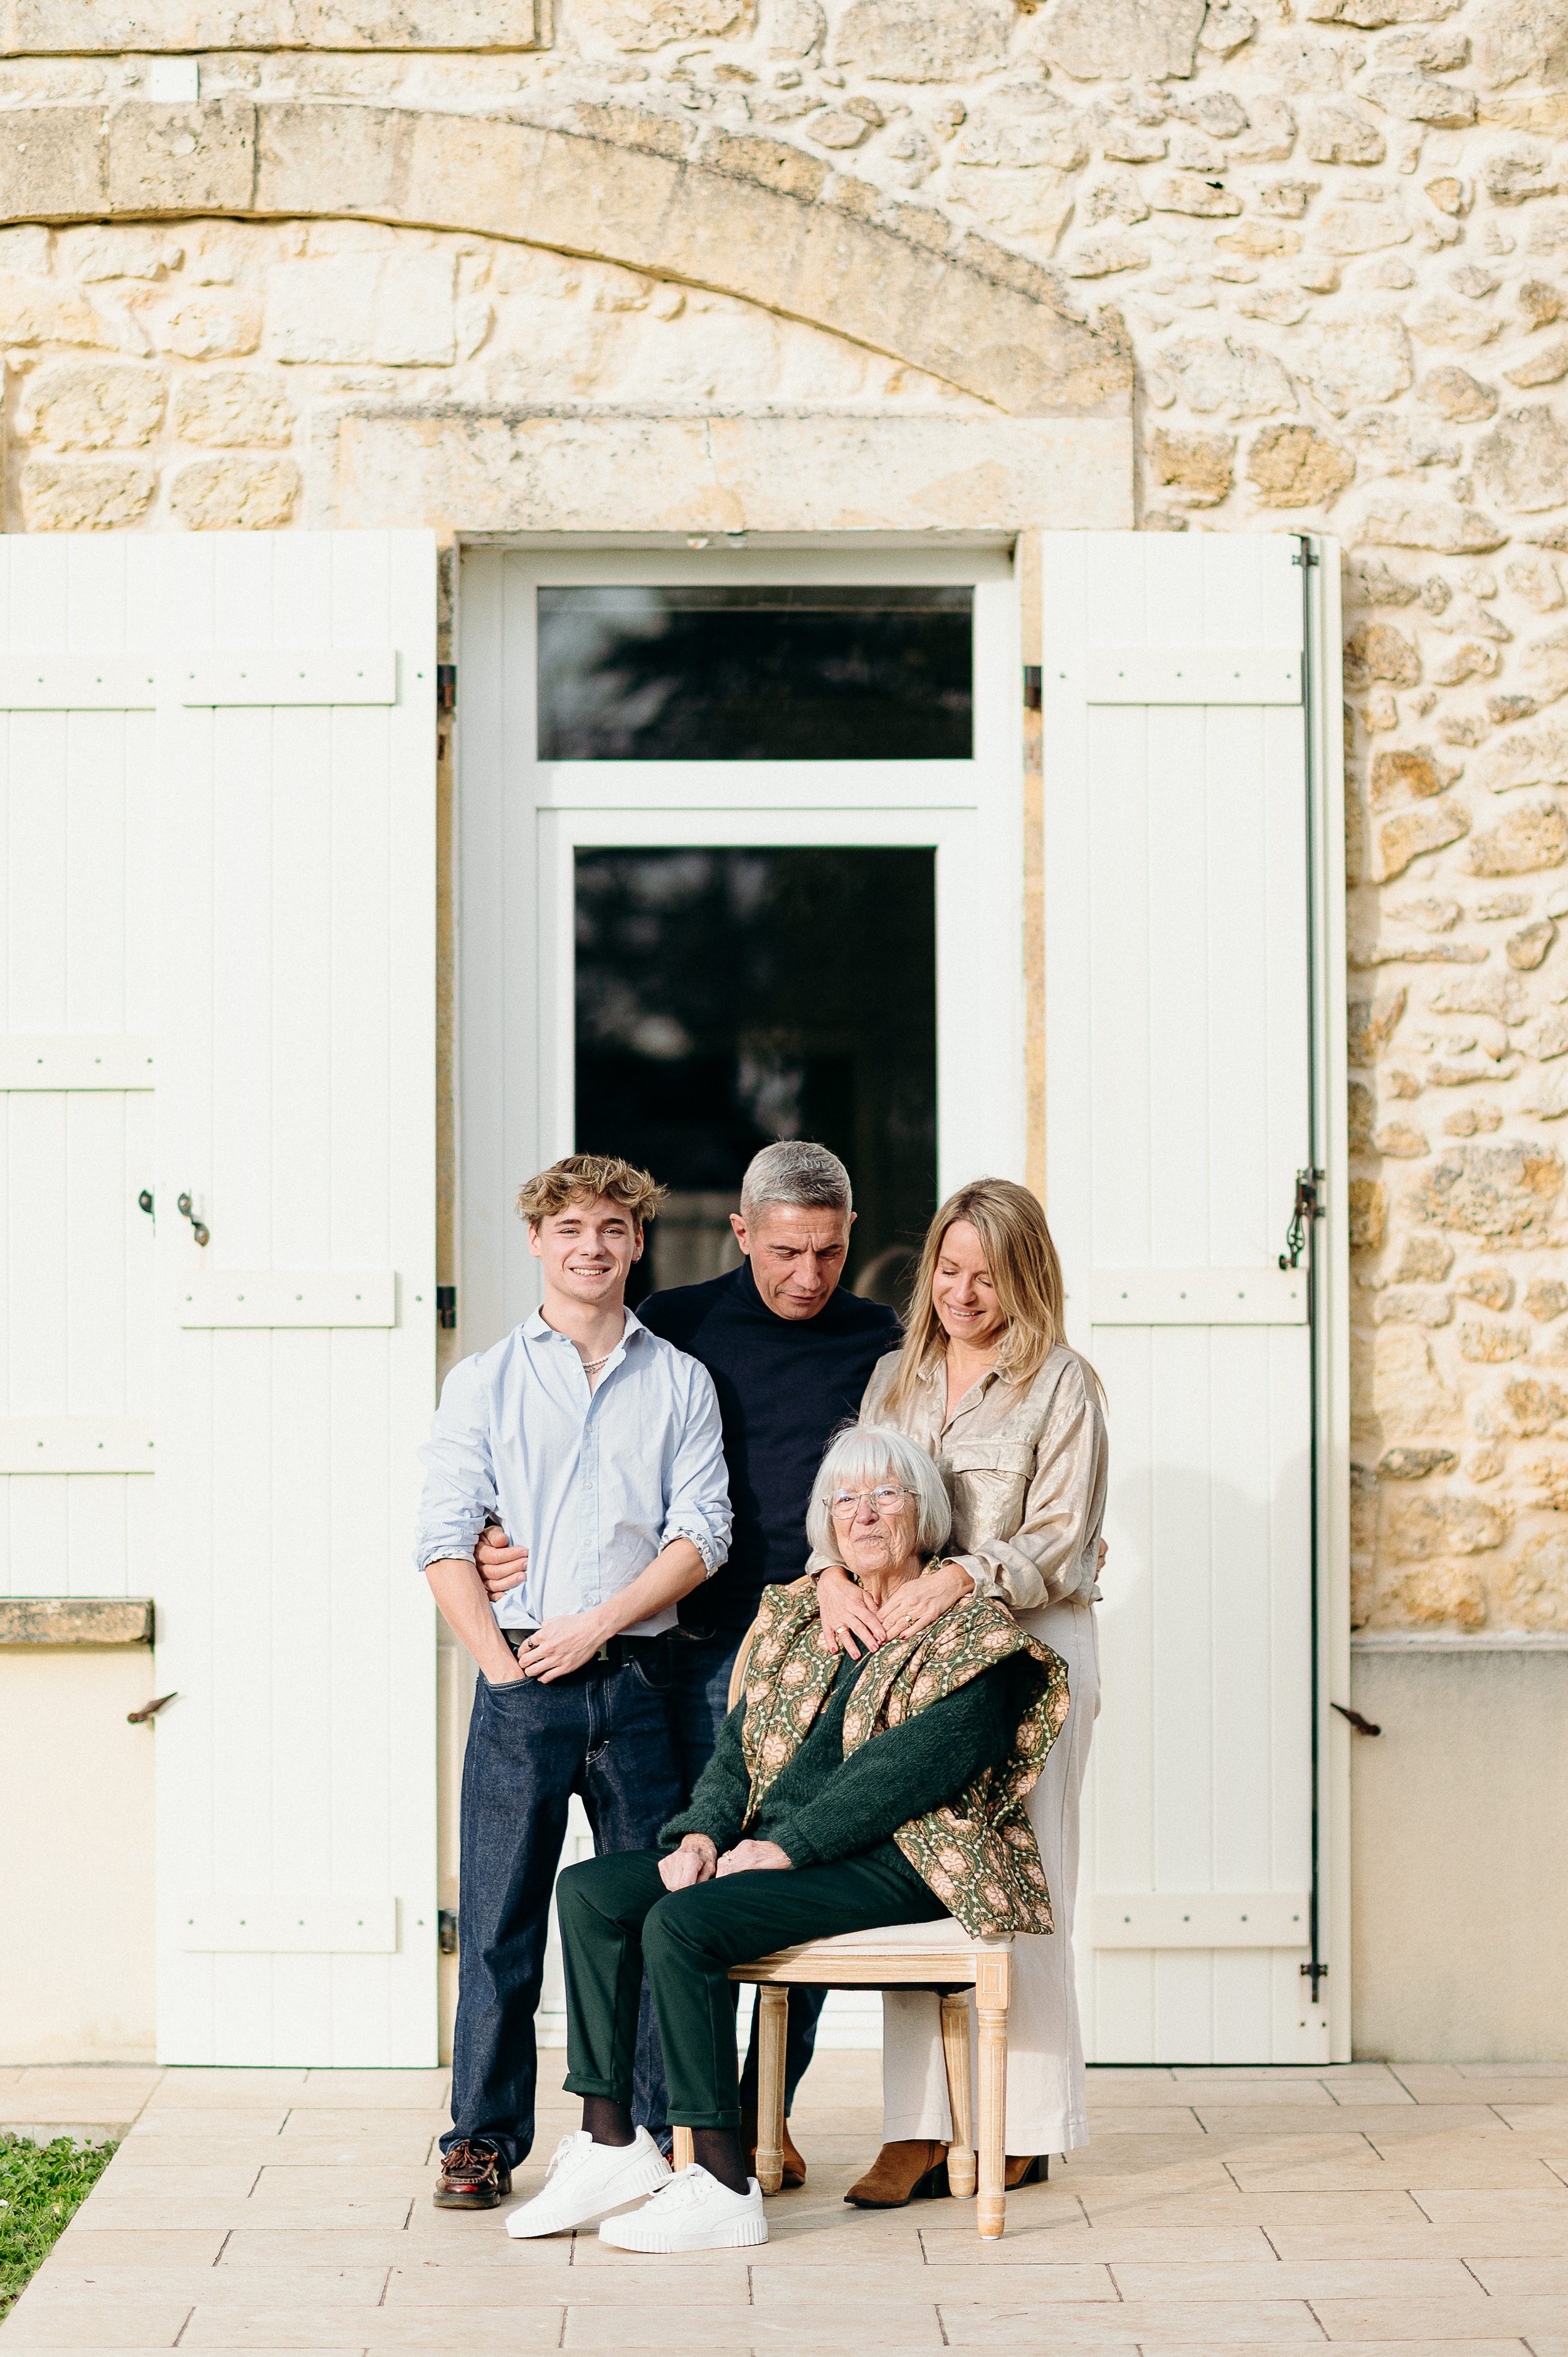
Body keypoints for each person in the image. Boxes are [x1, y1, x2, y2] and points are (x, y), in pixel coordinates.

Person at [502, 1423, 1069, 2255]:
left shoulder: (974, 1632)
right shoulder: (800, 1616)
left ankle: (721, 2181)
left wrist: (789, 1845)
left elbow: (907, 1772)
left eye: (885, 1495)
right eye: (845, 1498)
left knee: (684, 1925)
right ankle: (609, 2140)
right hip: (785, 1848)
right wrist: (702, 1833)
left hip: (907, 1857)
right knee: (591, 1892)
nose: (863, 1514)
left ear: (925, 1513)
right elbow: (739, 1749)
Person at [477, 1138, 899, 2187]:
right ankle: (661, 2124)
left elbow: (897, 1484)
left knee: (792, 1877)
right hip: (687, 1654)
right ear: (741, 1233)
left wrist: (845, 1571)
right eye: (786, 1251)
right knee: (681, 1882)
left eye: (830, 1252)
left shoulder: (881, 1340)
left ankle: (762, 2114)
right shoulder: (677, 1327)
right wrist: (492, 1535)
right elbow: (596, 1465)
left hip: (819, 1646)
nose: (808, 1275)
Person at [415, 1154, 731, 2211]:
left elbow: (705, 1532)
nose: (591, 1246)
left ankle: (646, 2132)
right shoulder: (486, 1381)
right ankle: (481, 2136)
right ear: (537, 1241)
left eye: (611, 1228)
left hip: (639, 1680)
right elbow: (442, 1538)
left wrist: (598, 1620)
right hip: (521, 1691)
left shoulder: (679, 1381)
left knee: (650, 1914)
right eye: (570, 1228)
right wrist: (501, 1670)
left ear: (638, 1241)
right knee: (499, 1921)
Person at [812, 1177, 1108, 2209]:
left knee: (1026, 1880)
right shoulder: (896, 1375)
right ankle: (918, 2131)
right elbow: (853, 1491)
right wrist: (831, 1573)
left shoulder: (1063, 1383)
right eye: (949, 1268)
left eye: (988, 1275)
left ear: (1025, 1276)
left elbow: (1061, 1536)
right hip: (918, 1658)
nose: (963, 1293)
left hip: (1029, 1652)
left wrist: (964, 1576)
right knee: (918, 1875)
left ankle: (1021, 2126)